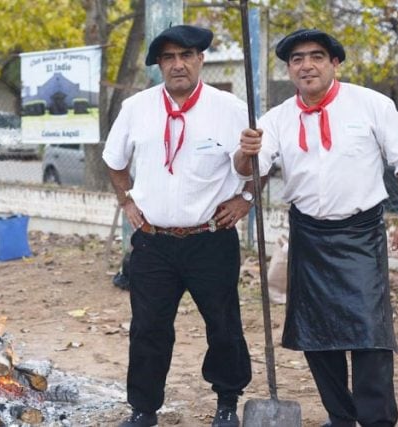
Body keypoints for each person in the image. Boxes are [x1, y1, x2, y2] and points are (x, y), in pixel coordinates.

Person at [234, 29, 398, 427]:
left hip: (361, 235)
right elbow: (252, 170)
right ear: (289, 70)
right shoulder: (276, 119)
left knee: (369, 336)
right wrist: (244, 152)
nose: (307, 65)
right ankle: (340, 416)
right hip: (308, 235)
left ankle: (375, 421)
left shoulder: (371, 104)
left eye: (317, 56)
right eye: (298, 59)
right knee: (314, 335)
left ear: (334, 63)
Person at [103, 24, 255, 427]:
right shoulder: (137, 108)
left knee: (223, 325)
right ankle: (144, 409)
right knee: (148, 329)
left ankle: (226, 403)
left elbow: (262, 161)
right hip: (153, 242)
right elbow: (113, 160)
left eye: (186, 56)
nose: (177, 65)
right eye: (168, 58)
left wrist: (246, 199)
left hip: (211, 239)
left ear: (200, 59)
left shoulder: (229, 108)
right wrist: (127, 201)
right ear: (159, 66)